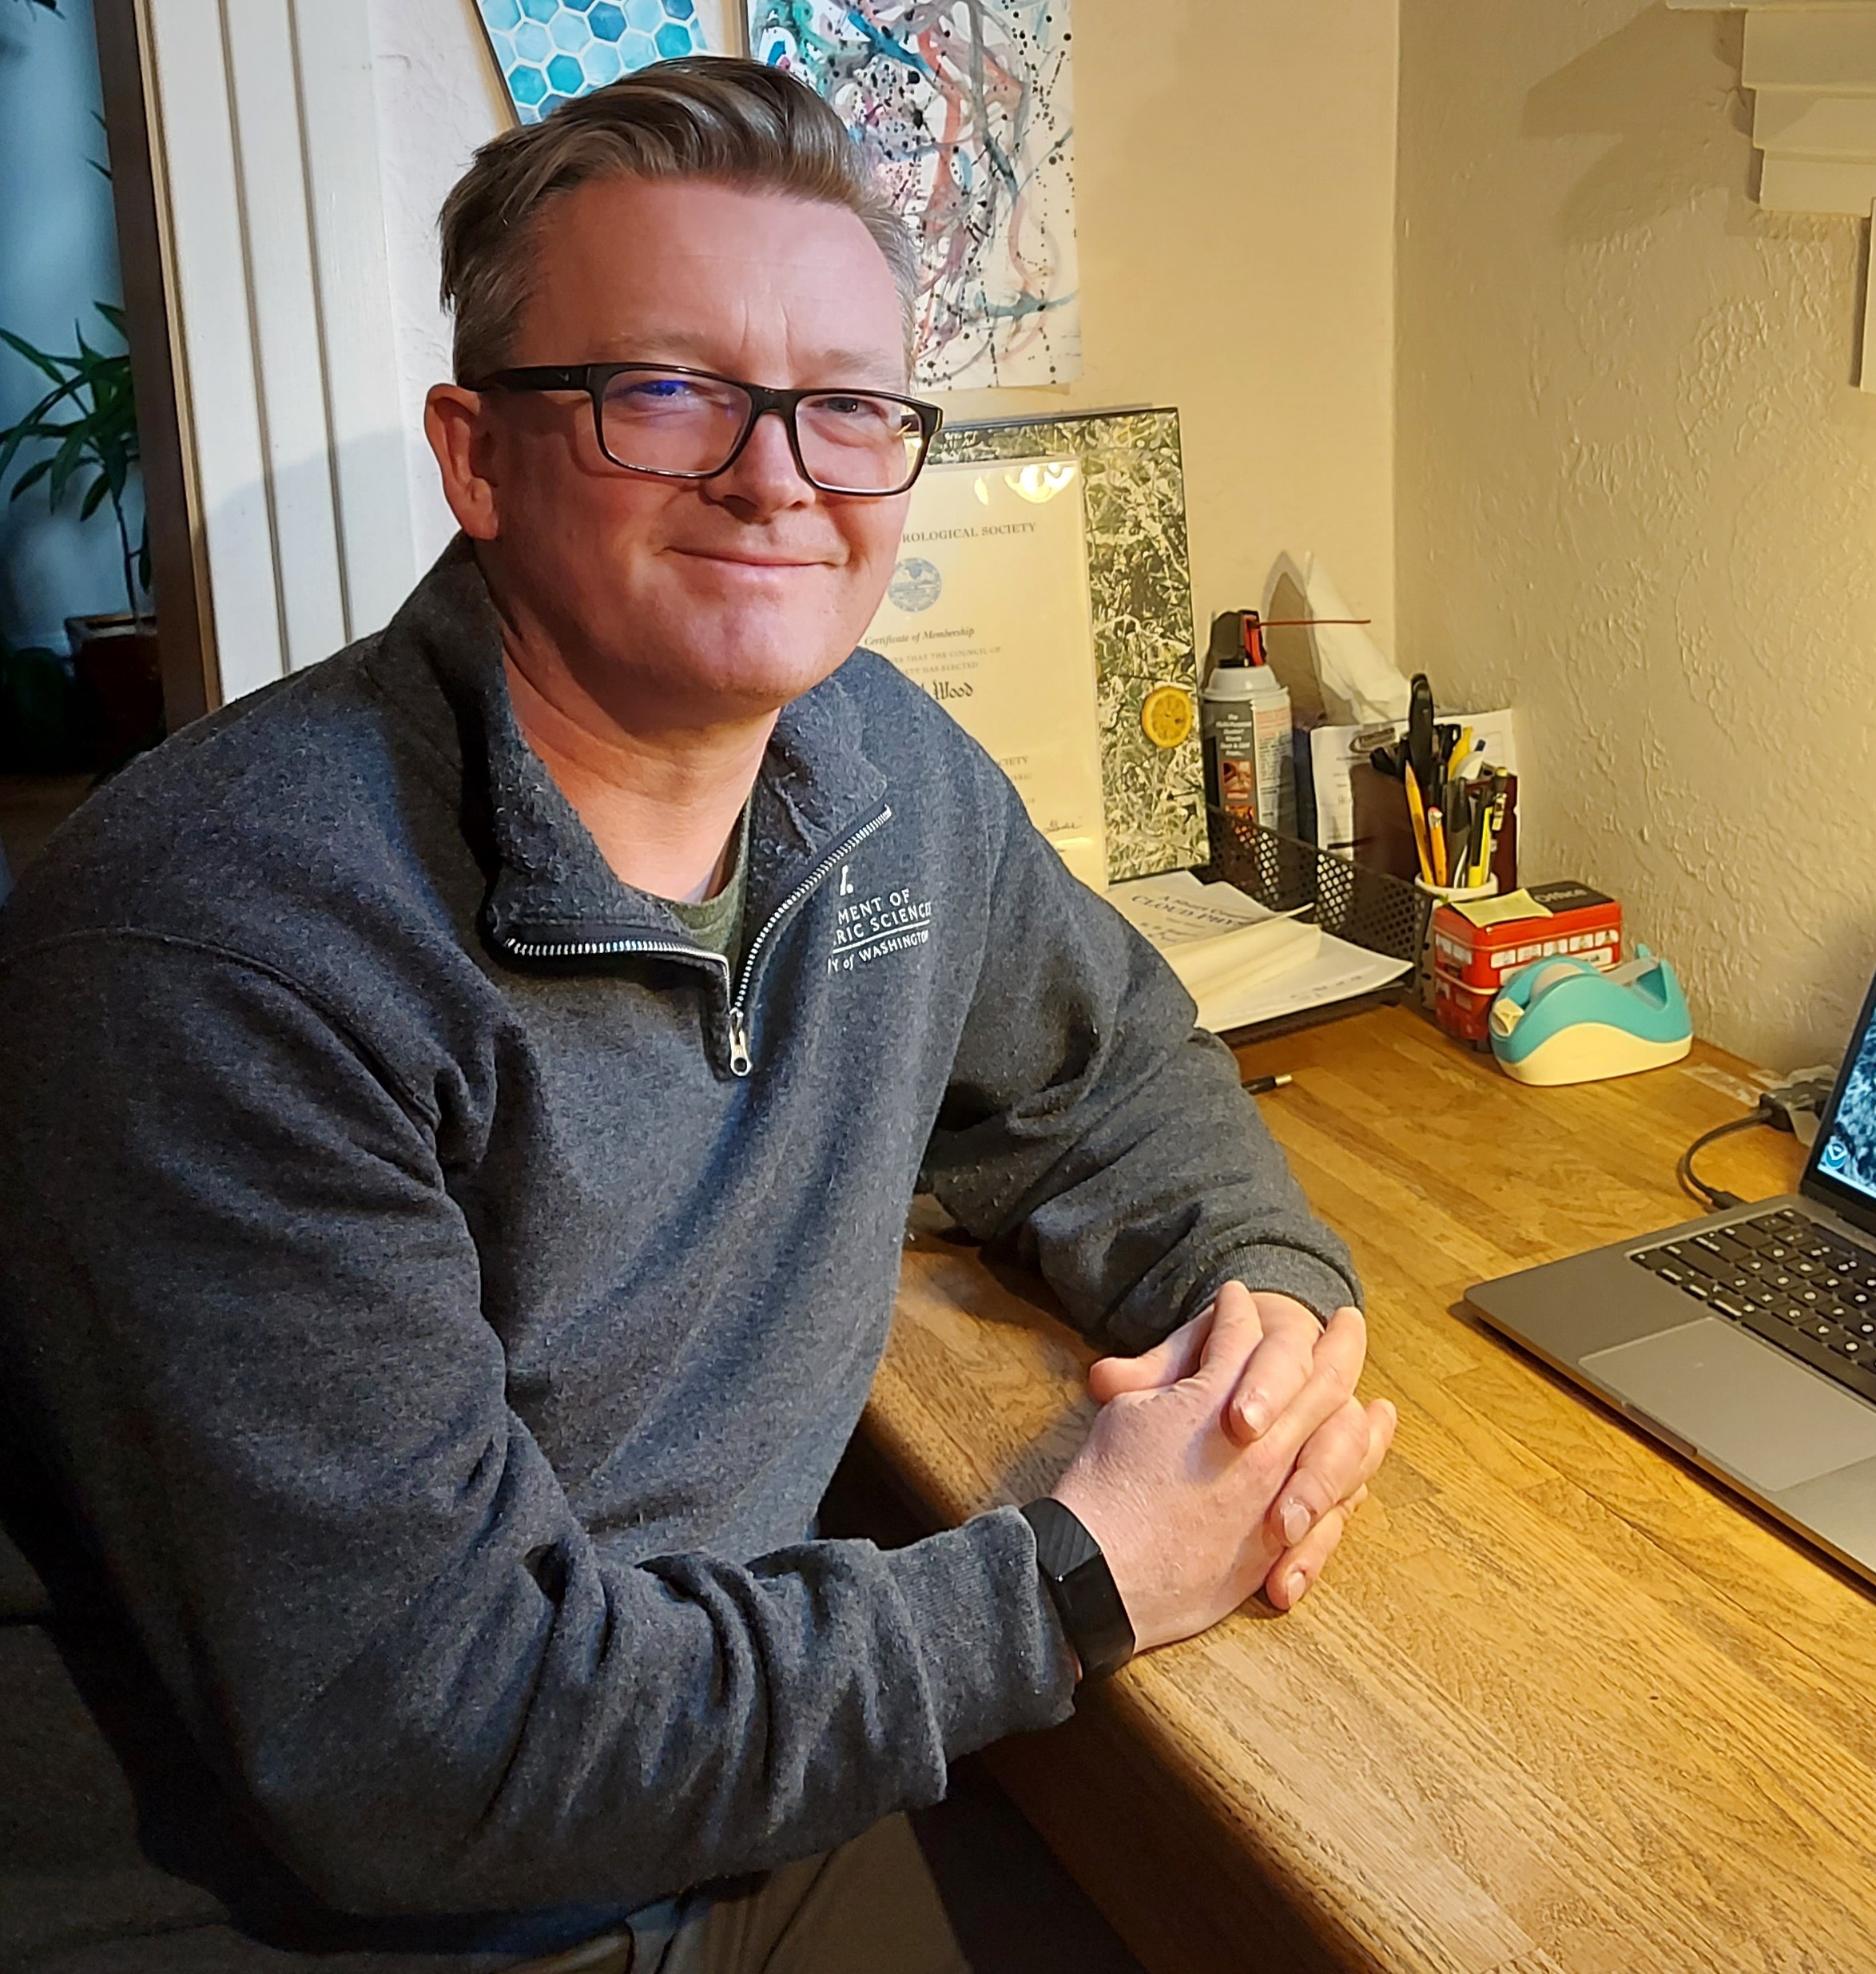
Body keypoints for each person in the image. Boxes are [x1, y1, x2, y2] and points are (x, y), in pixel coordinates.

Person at [0, 57, 1394, 1972]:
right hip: (336, 1912)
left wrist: (1262, 1349)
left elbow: (1114, 1079)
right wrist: (1075, 1581)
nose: (776, 476)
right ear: (474, 452)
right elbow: (425, 1747)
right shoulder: (215, 950)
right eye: (664, 393)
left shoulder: (880, 770)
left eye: (843, 407)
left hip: (714, 1798)